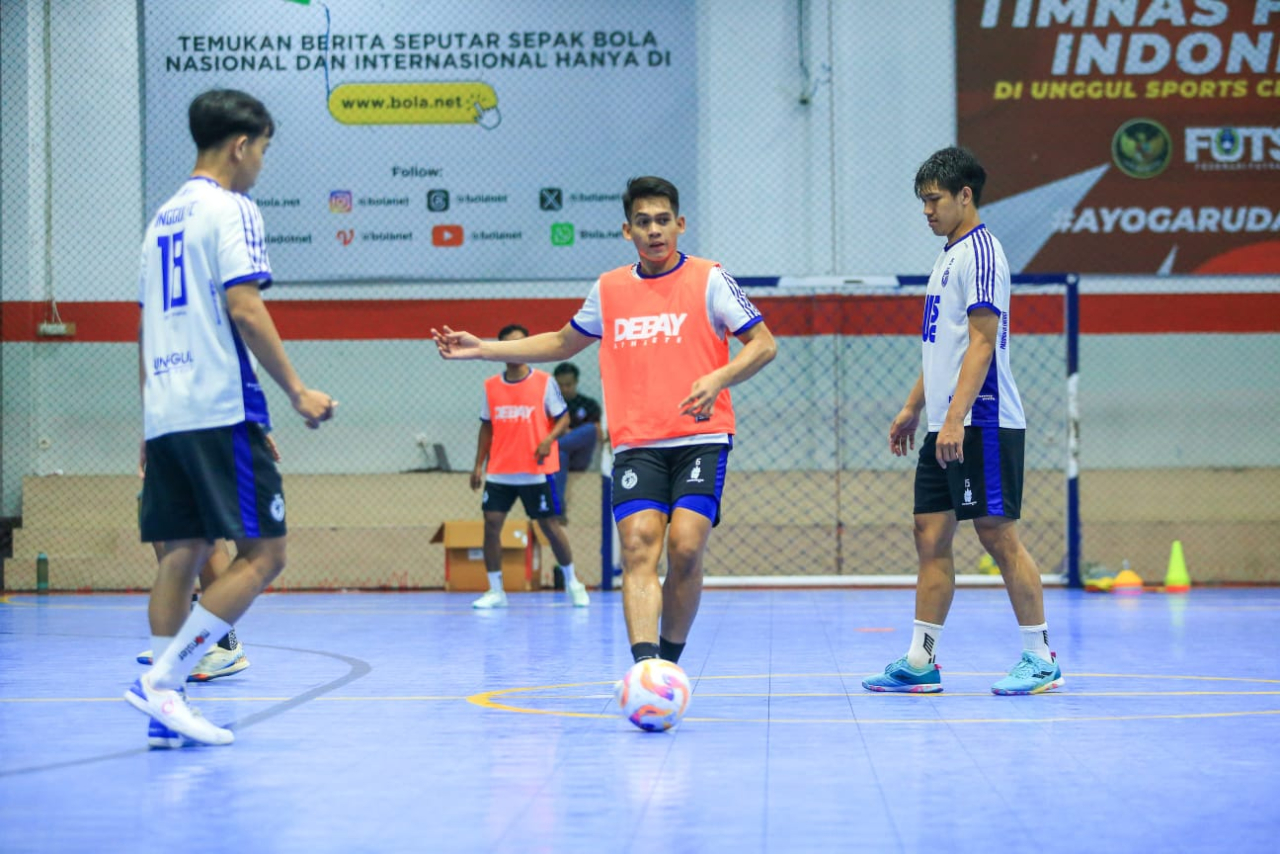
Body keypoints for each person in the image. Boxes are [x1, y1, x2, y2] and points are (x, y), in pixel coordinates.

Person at [433, 176, 776, 669]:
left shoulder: (710, 278)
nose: (654, 230)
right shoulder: (610, 289)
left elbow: (764, 344)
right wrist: (483, 348)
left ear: (679, 225)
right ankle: (646, 670)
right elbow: (559, 343)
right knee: (637, 548)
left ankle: (671, 665)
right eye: (643, 222)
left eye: (663, 221)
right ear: (627, 231)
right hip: (637, 444)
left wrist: (719, 377)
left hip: (701, 439)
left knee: (684, 548)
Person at [126, 88, 337, 747]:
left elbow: (145, 331)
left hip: (167, 411)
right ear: (241, 146)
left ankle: (167, 712)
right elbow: (244, 307)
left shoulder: (159, 220)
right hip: (218, 407)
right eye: (265, 151)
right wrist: (297, 390)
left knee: (183, 554)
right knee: (265, 554)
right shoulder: (233, 208)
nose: (262, 165)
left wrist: (148, 422)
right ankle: (165, 681)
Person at [862, 146, 1064, 696]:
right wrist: (913, 409)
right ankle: (921, 661)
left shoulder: (982, 253)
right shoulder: (948, 255)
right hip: (946, 423)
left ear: (965, 196)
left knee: (997, 535)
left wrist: (954, 420)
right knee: (930, 534)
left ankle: (1040, 656)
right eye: (923, 201)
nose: (926, 211)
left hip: (983, 422)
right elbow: (944, 349)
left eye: (934, 200)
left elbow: (980, 344)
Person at [131, 433, 281, 685]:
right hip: (170, 427)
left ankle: (226, 644)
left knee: (205, 531)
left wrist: (255, 424)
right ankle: (186, 637)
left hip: (210, 428)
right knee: (164, 527)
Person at [470, 324, 587, 609]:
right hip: (500, 470)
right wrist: (477, 466)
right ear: (501, 350)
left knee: (549, 526)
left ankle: (573, 582)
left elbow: (563, 419)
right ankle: (496, 590)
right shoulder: (491, 386)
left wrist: (548, 439)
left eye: (522, 343)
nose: (517, 350)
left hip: (536, 470)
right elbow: (486, 428)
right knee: (491, 526)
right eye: (510, 345)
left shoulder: (546, 382)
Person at [550, 361, 603, 524]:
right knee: (560, 453)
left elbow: (599, 433)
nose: (565, 389)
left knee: (590, 429)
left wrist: (571, 434)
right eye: (561, 385)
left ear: (576, 382)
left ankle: (555, 446)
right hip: (558, 459)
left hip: (580, 458)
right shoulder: (549, 405)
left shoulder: (589, 404)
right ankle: (558, 509)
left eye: (569, 384)